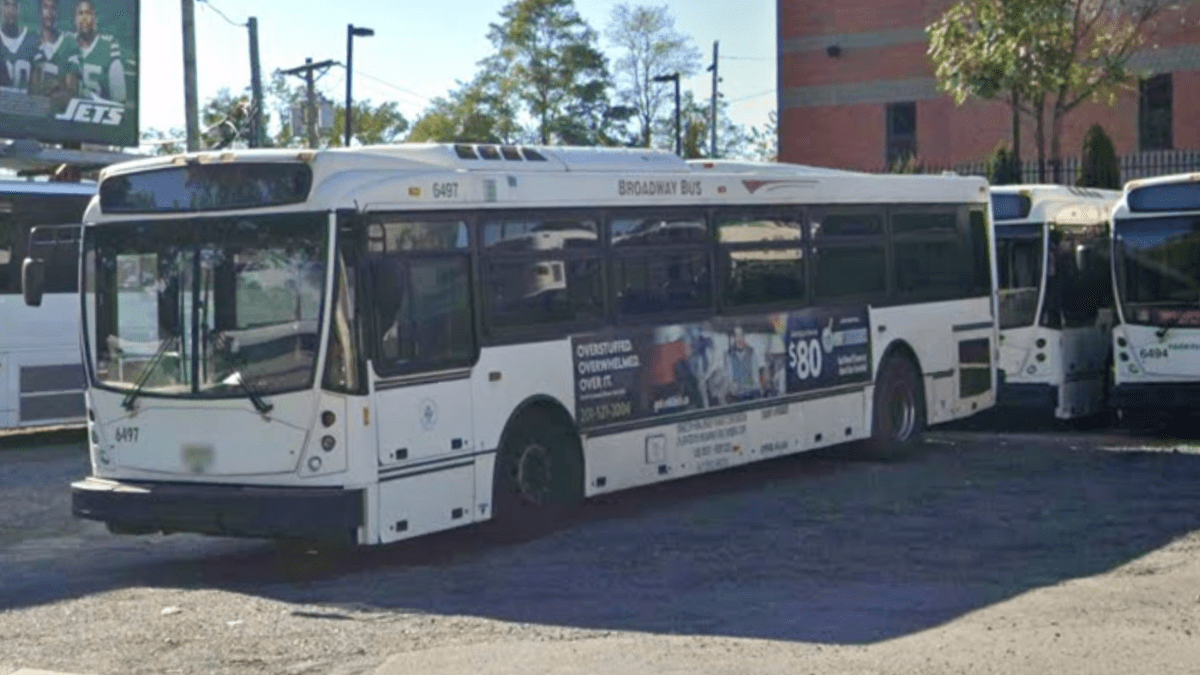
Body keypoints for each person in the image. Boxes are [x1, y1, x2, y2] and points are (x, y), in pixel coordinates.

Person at [29, 0, 79, 113]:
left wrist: (44, 87)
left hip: (60, 121)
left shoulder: (69, 44)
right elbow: (31, 91)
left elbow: (71, 92)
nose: (49, 12)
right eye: (45, 7)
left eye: (53, 8)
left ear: (57, 12)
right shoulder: (31, 43)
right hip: (32, 120)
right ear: (39, 11)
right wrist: (56, 83)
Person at [73, 0, 123, 102]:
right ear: (74, 19)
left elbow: (119, 100)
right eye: (80, 14)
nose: (84, 19)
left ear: (96, 18)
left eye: (88, 13)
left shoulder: (108, 48)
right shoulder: (68, 44)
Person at [0, 0, 36, 91]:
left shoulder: (31, 42)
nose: (10, 9)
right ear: (1, 7)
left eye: (14, 5)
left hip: (24, 103)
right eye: (7, 4)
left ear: (19, 8)